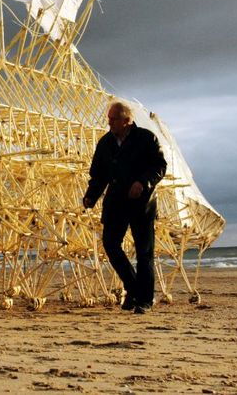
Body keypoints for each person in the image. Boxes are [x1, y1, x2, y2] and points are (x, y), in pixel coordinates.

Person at [82, 100, 167, 314]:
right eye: (109, 119)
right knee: (110, 245)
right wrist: (90, 196)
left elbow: (159, 166)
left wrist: (143, 182)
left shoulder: (147, 139)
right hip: (116, 203)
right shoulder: (105, 144)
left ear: (127, 121)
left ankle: (144, 300)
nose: (109, 122)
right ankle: (133, 288)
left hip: (142, 203)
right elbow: (98, 175)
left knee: (144, 252)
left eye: (114, 119)